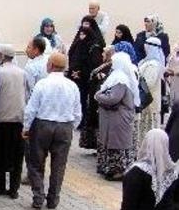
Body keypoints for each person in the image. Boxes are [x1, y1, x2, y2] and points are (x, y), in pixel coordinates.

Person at [23, 53, 82, 210]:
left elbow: (32, 108)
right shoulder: (72, 86)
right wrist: (71, 127)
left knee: (36, 162)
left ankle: (38, 196)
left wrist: (26, 127)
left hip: (43, 124)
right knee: (59, 165)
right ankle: (53, 198)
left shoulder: (42, 84)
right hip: (65, 126)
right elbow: (78, 112)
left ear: (50, 65)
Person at [95, 52, 139, 181]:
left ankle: (117, 171)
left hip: (118, 119)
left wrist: (98, 95)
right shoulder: (116, 76)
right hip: (113, 118)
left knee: (118, 144)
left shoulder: (120, 79)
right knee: (113, 142)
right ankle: (110, 168)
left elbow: (113, 98)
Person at [0, 45, 28, 199]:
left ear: (1, 55)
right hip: (18, 118)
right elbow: (27, 93)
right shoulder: (23, 73)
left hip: (1, 119)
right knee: (17, 155)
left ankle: (0, 185)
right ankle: (14, 189)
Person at [67, 24, 104, 130]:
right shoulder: (78, 44)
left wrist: (82, 73)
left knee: (84, 100)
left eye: (84, 34)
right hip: (76, 78)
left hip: (86, 79)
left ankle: (83, 121)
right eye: (80, 34)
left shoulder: (93, 47)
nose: (81, 36)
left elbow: (93, 64)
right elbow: (73, 59)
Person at [139, 37, 166, 138]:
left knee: (149, 129)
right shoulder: (146, 62)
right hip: (144, 102)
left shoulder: (153, 64)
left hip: (150, 102)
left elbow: (148, 83)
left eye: (147, 44)